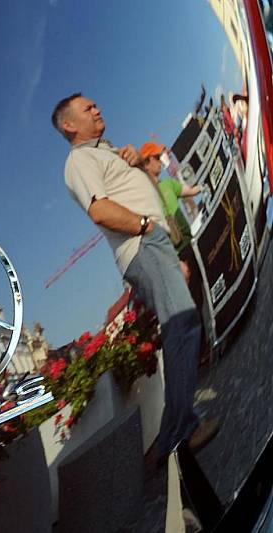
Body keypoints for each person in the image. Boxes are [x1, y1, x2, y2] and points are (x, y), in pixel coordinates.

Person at [51, 93, 219, 465]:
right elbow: (100, 209)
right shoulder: (79, 160)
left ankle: (178, 432)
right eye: (88, 108)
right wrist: (146, 228)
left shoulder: (106, 151)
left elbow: (133, 192)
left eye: (97, 104)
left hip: (154, 245)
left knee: (182, 324)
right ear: (69, 125)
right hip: (143, 244)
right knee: (182, 325)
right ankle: (179, 434)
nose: (97, 108)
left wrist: (134, 164)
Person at [139, 141, 200, 280]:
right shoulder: (145, 196)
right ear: (146, 164)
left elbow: (190, 191)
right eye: (156, 157)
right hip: (173, 257)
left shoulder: (168, 184)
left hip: (187, 243)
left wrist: (201, 186)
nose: (160, 160)